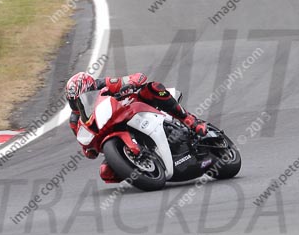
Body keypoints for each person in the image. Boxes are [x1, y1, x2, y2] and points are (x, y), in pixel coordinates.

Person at [65, 72, 208, 183]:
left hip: (131, 110)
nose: (79, 104)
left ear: (92, 87)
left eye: (81, 99)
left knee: (152, 88)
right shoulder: (75, 121)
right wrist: (90, 148)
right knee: (106, 172)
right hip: (110, 133)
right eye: (74, 102)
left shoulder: (104, 84)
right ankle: (140, 168)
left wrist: (131, 84)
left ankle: (191, 121)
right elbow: (87, 147)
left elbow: (136, 78)